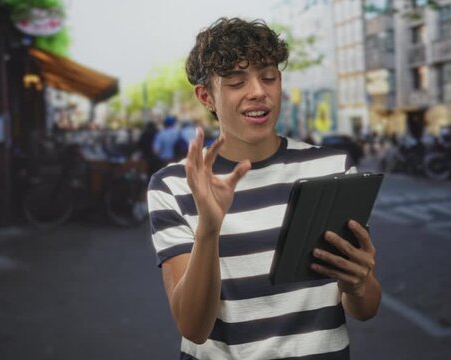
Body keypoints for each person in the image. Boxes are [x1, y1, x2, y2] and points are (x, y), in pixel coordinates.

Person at [147, 17, 381, 359]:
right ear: (205, 96)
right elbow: (193, 327)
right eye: (236, 82)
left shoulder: (333, 170)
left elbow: (365, 308)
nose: (258, 91)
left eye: (269, 76)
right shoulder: (174, 185)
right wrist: (209, 230)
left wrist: (359, 283)